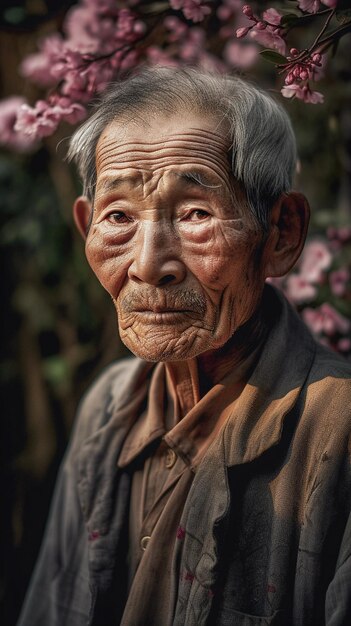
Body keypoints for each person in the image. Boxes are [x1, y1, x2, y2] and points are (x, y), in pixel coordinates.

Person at [17, 68, 351, 626]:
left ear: (282, 234)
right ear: (86, 230)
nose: (148, 264)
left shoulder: (337, 429)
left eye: (196, 214)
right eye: (118, 217)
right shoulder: (109, 406)